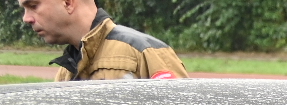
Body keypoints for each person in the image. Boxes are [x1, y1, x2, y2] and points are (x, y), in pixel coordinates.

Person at [20, 0, 189, 81]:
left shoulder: (144, 51)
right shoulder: (66, 73)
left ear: (68, 3)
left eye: (33, 6)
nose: (26, 19)